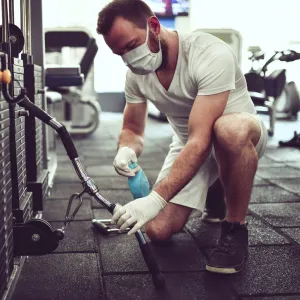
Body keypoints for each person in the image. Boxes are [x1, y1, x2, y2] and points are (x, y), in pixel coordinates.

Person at [96, 0, 268, 274]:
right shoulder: (135, 76)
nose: (129, 59)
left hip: (239, 134)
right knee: (158, 230)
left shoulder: (209, 53)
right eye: (120, 54)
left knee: (226, 130)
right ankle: (215, 189)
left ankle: (235, 229)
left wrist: (155, 199)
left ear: (153, 26)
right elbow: (132, 130)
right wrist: (125, 150)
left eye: (131, 46)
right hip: (189, 145)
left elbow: (201, 139)